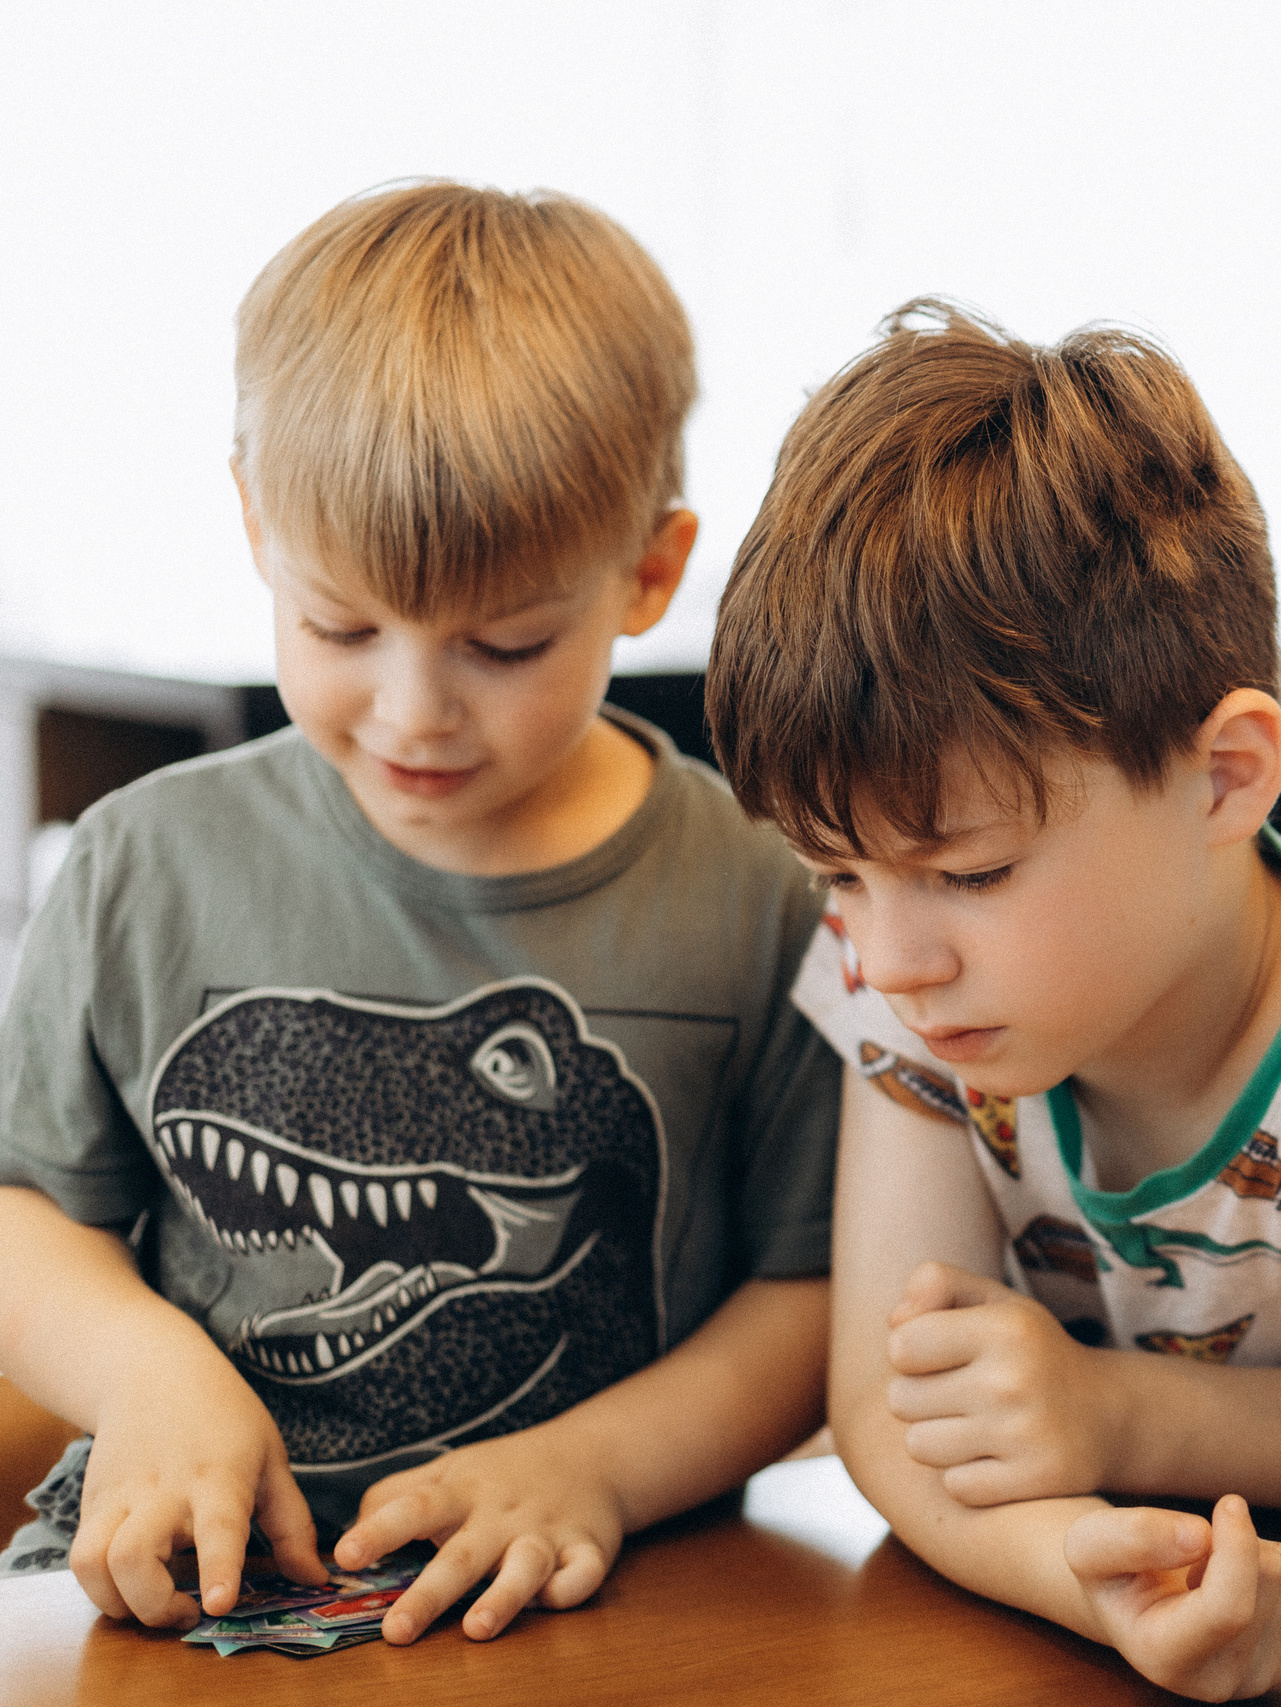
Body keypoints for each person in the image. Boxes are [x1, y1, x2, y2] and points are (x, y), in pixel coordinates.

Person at [705, 300, 1281, 1700]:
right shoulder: (910, 980)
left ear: (1228, 780)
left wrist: (1121, 1417)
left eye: (975, 871)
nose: (886, 958)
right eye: (837, 875)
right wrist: (1095, 1581)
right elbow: (891, 1411)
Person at [0, 182, 839, 1649]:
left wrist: (598, 1465)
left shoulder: (760, 895)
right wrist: (144, 1370)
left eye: (505, 644)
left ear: (649, 571)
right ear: (258, 521)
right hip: (190, 1608)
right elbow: (20, 1212)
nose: (413, 713)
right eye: (340, 628)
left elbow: (813, 1290)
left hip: (633, 1611)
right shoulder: (142, 862)